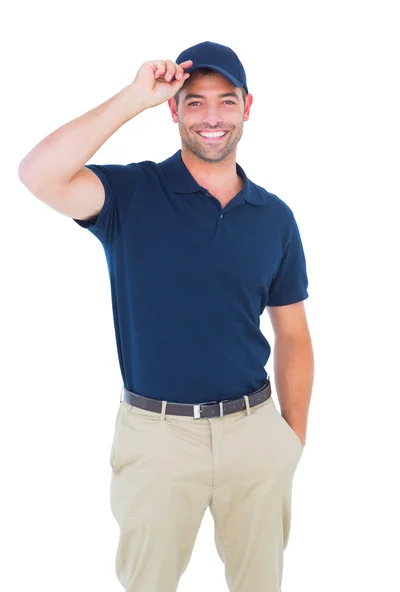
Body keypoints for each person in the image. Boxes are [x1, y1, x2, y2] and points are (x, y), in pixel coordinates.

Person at [18, 40, 314, 592]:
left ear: (247, 108)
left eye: (226, 102)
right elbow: (38, 173)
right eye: (194, 102)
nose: (212, 118)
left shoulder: (274, 217)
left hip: (254, 434)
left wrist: (290, 441)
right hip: (156, 438)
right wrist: (134, 97)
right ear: (173, 109)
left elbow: (293, 334)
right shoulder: (131, 194)